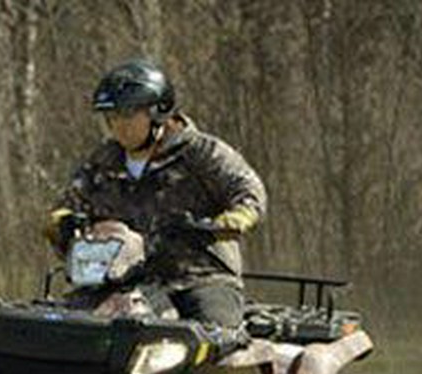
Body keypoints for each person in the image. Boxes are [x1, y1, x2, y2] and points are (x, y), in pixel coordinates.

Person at [45, 58, 267, 329]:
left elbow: (247, 191)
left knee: (214, 331)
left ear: (158, 113)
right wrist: (62, 224)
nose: (118, 126)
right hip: (119, 278)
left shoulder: (201, 153)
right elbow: (68, 205)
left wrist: (235, 219)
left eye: (128, 116)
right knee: (66, 326)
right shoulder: (103, 161)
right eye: (111, 118)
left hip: (198, 277)